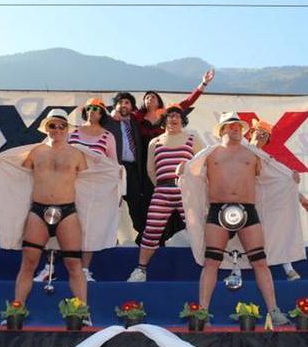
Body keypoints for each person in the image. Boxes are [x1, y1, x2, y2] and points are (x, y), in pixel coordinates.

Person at [0, 109, 122, 323]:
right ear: (47, 128)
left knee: (74, 265)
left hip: (67, 212)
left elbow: (91, 178)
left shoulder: (77, 154)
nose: (58, 129)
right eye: (53, 125)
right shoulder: (35, 152)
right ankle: (16, 311)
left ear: (67, 129)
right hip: (38, 211)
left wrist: (114, 174)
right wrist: (1, 163)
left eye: (62, 126)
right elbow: (19, 174)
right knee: (28, 263)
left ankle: (82, 312)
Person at [179, 112, 308, 325]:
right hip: (218, 210)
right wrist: (182, 170)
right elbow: (192, 172)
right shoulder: (210, 153)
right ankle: (203, 313)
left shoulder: (254, 154)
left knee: (260, 261)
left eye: (239, 126)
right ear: (222, 129)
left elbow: (275, 175)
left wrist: (289, 177)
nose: (236, 129)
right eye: (232, 126)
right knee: (211, 262)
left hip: (247, 210)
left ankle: (274, 311)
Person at [33, 98, 117, 283]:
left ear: (102, 113)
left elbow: (113, 165)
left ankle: (84, 270)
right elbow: (44, 149)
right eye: (89, 108)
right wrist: (7, 159)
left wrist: (116, 190)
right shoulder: (71, 131)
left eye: (97, 108)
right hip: (67, 186)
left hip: (94, 190)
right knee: (54, 224)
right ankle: (49, 268)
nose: (93, 111)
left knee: (90, 227)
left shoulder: (108, 136)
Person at [126, 105, 203, 281]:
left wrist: (188, 176)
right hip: (162, 191)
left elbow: (203, 163)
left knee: (198, 229)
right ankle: (141, 270)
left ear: (182, 120)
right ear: (164, 120)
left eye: (177, 116)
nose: (173, 119)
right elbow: (151, 170)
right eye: (170, 116)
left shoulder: (192, 138)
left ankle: (209, 269)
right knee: (151, 231)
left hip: (187, 192)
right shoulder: (155, 142)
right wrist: (163, 186)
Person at [249, 118, 308, 281]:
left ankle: (288, 266)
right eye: (259, 132)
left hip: (263, 202)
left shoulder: (267, 159)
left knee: (279, 228)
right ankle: (235, 271)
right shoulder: (239, 151)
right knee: (238, 235)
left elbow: (281, 180)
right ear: (251, 133)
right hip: (242, 201)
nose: (261, 136)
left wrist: (301, 197)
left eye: (265, 135)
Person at [109, 92, 151, 244]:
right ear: (115, 106)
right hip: (114, 168)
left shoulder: (135, 121)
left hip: (132, 169)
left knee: (136, 202)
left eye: (127, 102)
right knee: (111, 203)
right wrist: (111, 114)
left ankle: (143, 235)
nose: (123, 105)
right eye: (120, 102)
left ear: (132, 107)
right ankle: (108, 238)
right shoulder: (109, 120)